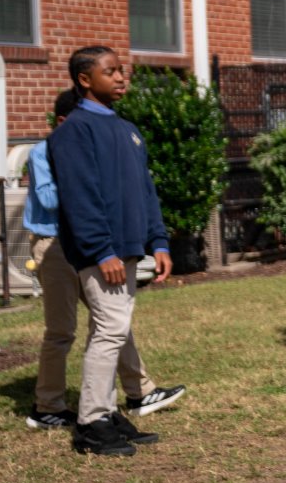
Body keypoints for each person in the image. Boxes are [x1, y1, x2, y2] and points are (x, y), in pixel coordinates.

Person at [23, 89, 184, 434]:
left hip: (88, 243)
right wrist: (87, 186)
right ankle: (48, 406)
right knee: (61, 330)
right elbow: (51, 198)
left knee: (112, 319)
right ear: (64, 122)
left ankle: (140, 392)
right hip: (53, 246)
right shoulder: (44, 150)